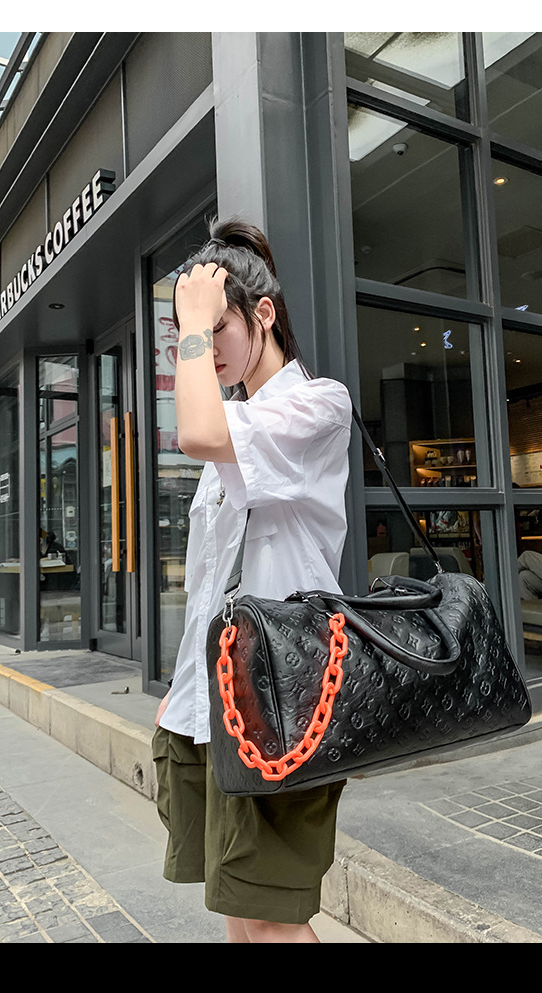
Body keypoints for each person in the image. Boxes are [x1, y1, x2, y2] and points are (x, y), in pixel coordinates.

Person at [151, 218, 352, 944]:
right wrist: (180, 688)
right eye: (198, 332)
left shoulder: (318, 404)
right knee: (240, 912)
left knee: (272, 923)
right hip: (214, 704)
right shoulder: (236, 419)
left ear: (263, 313)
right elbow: (212, 582)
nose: (208, 346)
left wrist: (189, 325)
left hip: (283, 704)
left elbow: (197, 432)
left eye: (219, 328)